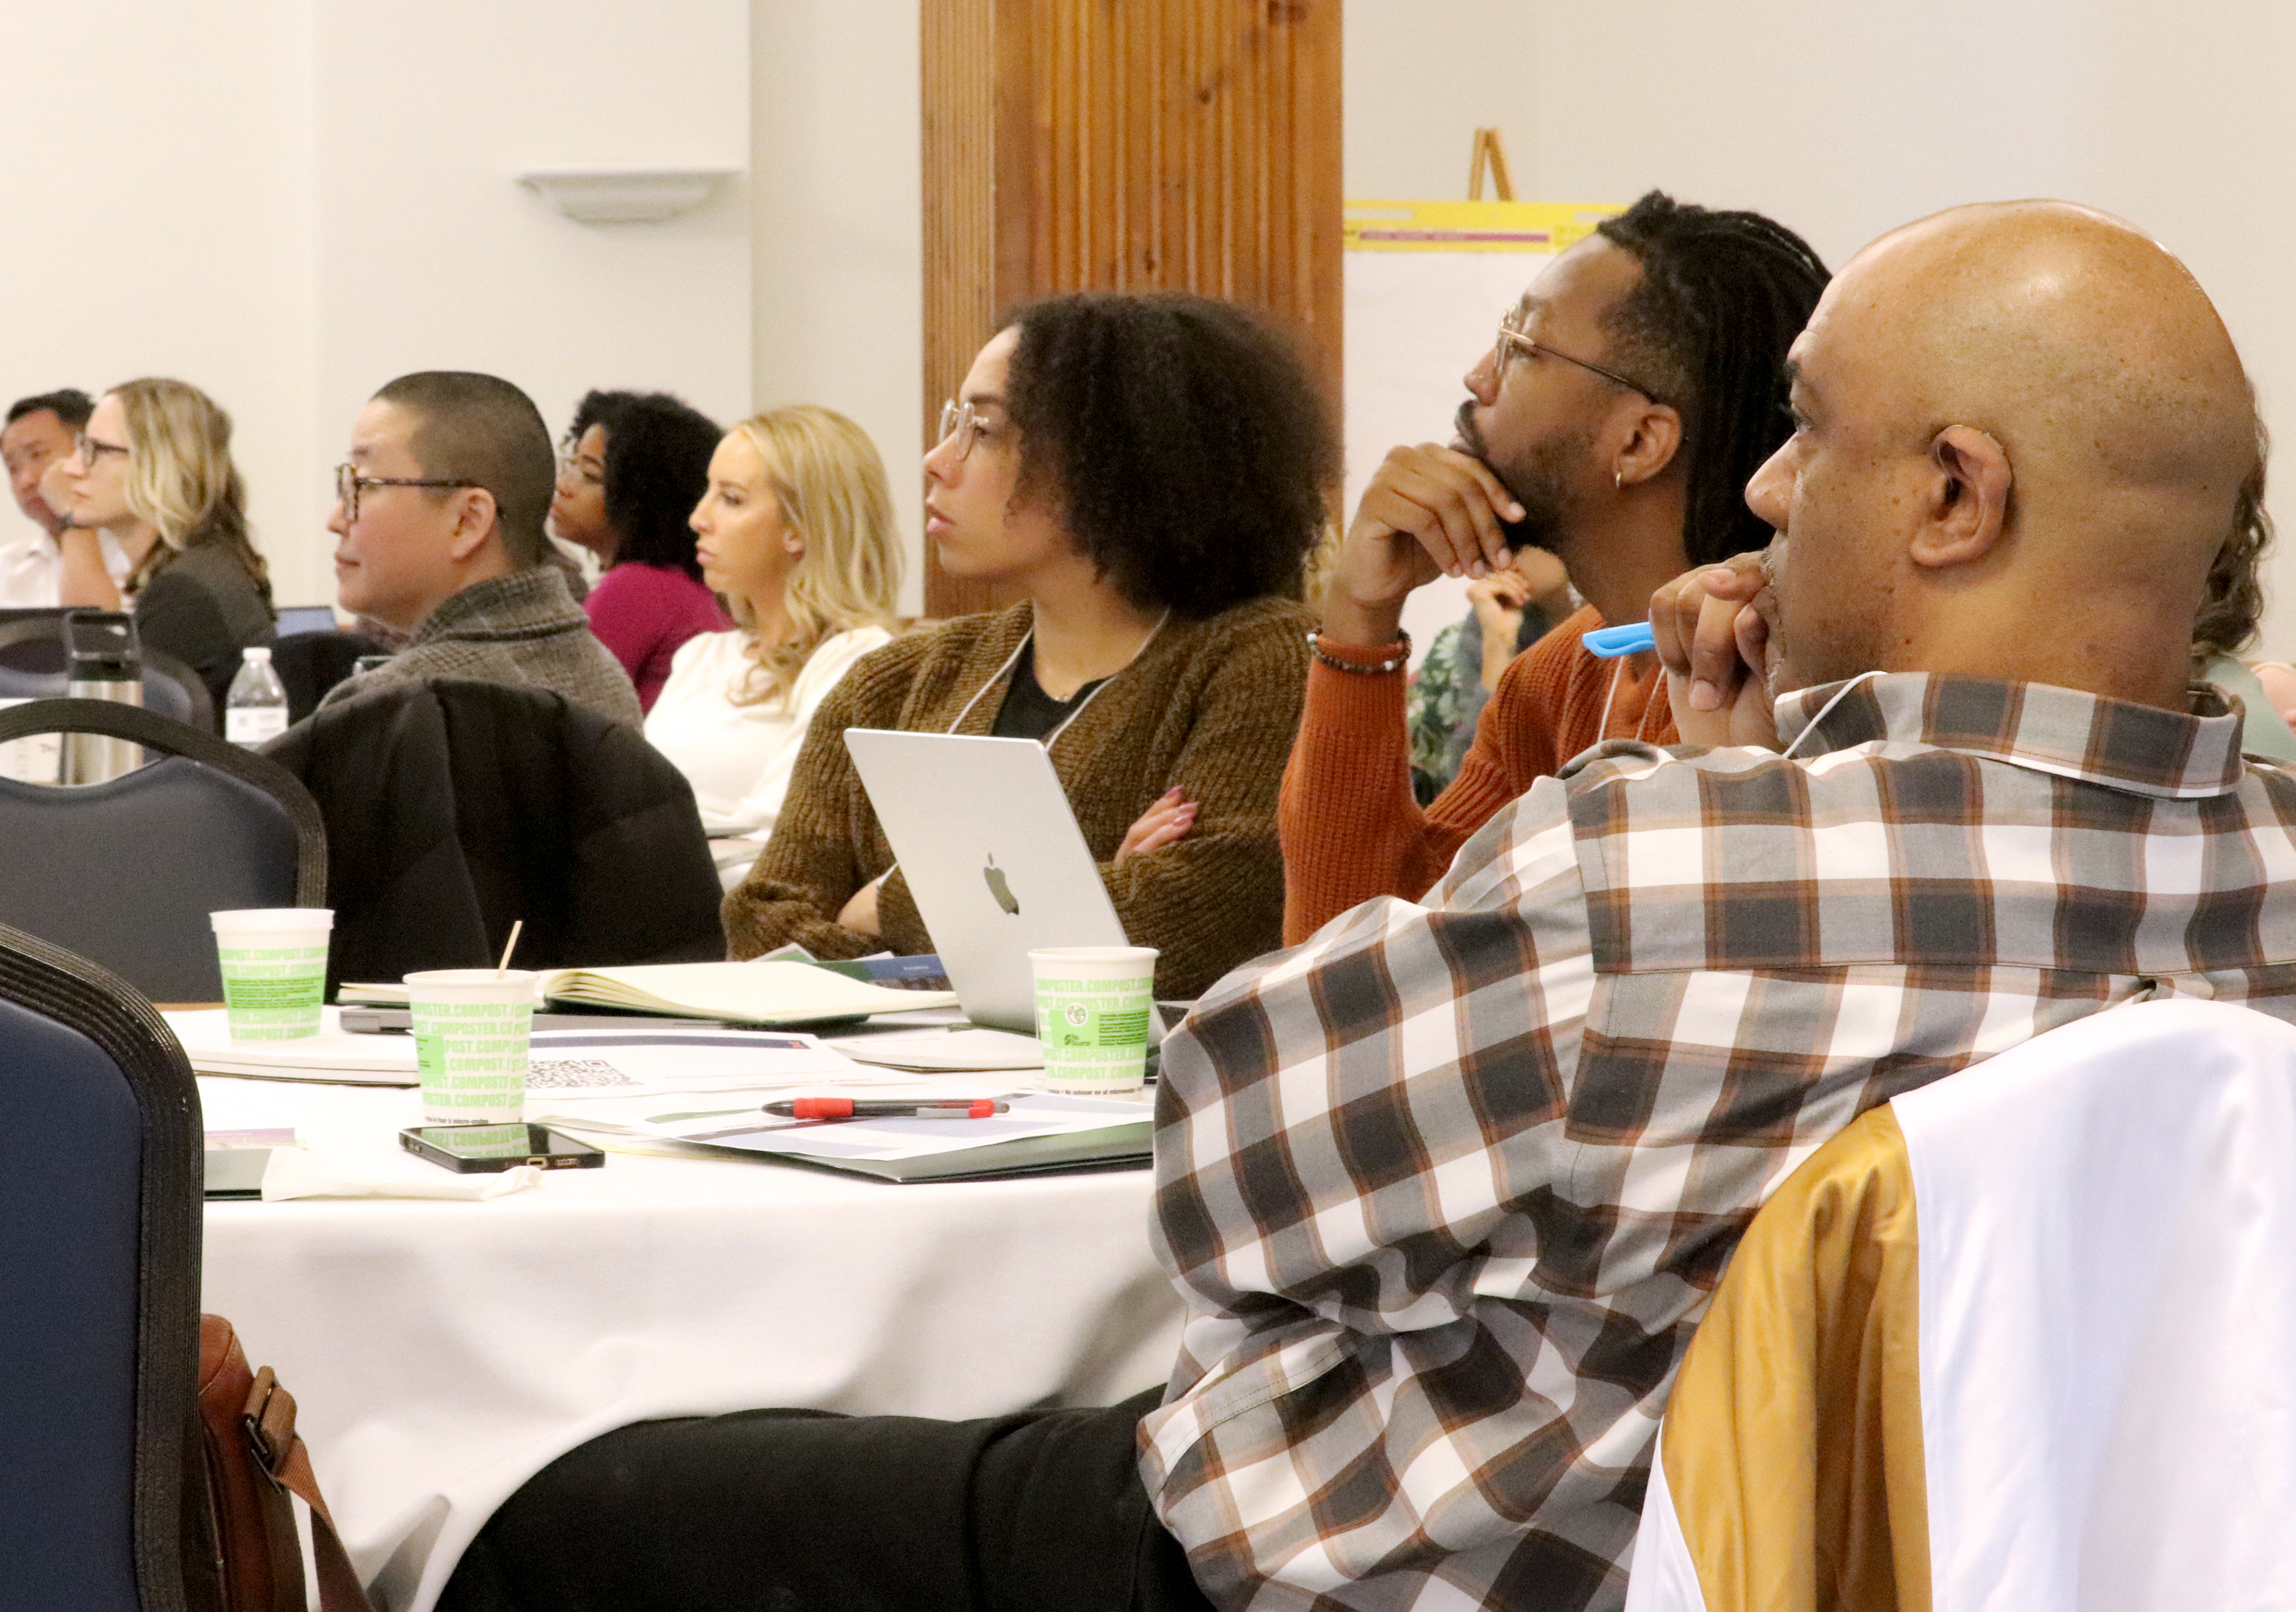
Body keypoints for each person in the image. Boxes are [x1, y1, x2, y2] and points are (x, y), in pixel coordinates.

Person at [437, 201, 2296, 1612]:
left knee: (574, 1513)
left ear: (1951, 495)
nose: (1759, 482)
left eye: (1805, 433)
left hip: (1386, 1559)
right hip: (1924, 1551)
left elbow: (1225, 1172)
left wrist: (1693, 779)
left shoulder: (1672, 870)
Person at [721, 292, 1332, 1001]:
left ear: (1117, 460)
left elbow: (1183, 926)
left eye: (981, 430)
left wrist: (885, 903)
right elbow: (762, 929)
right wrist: (1077, 890)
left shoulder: (1261, 659)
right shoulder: (894, 680)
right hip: (880, 1096)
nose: (935, 460)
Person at [1280, 192, 1828, 943]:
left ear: (1638, 441)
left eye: (1520, 347)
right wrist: (1358, 617)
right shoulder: (1555, 678)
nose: (1477, 377)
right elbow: (1351, 956)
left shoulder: (1771, 671)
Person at [640, 405, 901, 854]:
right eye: (709, 492)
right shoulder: (701, 656)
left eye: (732, 498)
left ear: (799, 527)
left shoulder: (857, 659)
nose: (698, 518)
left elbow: (778, 842)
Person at [319, 370, 641, 730]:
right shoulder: (606, 683)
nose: (336, 519)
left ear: (468, 521)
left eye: (362, 485)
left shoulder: (386, 707)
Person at [55, 378, 277, 701]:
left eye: (94, 450)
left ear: (160, 463)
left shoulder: (185, 595)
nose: (72, 468)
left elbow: (133, 736)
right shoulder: (205, 566)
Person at [552, 390, 733, 710]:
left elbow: (560, 715)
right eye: (571, 464)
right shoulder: (696, 585)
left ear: (644, 497)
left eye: (590, 475)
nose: (564, 486)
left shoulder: (636, 587)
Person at [1404, 548, 1570, 803]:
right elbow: (1468, 795)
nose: (1499, 558)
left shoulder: (1625, 615)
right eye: (1490, 540)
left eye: (1519, 536)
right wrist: (1498, 651)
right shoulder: (1482, 629)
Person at [0, 390, 134, 608]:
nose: (26, 481)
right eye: (13, 469)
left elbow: (97, 636)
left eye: (38, 455)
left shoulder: (140, 552)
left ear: (89, 453)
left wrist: (75, 515)